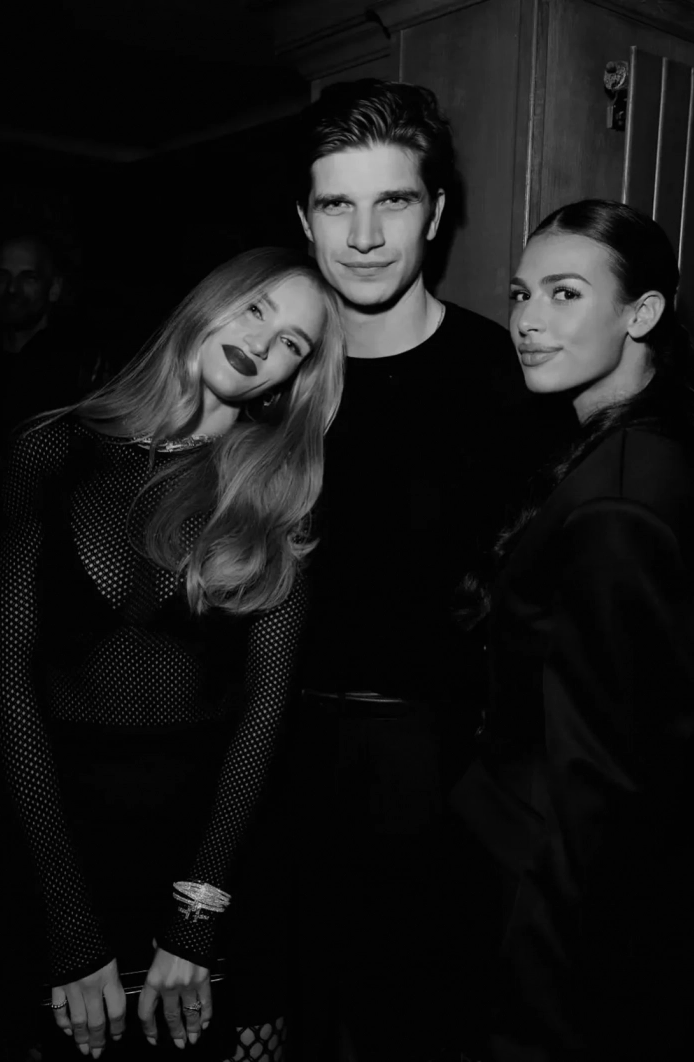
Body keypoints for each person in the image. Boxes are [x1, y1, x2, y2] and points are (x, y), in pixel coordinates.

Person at [0, 246, 345, 1062]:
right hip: (63, 851)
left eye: (292, 342)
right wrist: (70, 922)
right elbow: (8, 684)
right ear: (210, 300)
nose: (263, 342)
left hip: (224, 852)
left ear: (293, 379)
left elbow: (265, 710)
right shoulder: (51, 451)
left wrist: (197, 915)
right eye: (256, 309)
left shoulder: (277, 490)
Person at [290, 79, 571, 1061]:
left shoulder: (509, 383)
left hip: (440, 773)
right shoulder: (272, 373)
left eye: (394, 201)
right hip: (272, 761)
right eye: (337, 204)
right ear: (305, 220)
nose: (365, 236)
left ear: (437, 212)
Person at [451, 199, 694, 1062]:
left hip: (547, 907)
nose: (528, 322)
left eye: (565, 293)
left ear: (640, 314)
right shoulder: (630, 448)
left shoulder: (621, 494)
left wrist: (556, 983)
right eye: (520, 293)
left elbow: (606, 777)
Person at [0, 234, 103, 431]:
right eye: (3, 276)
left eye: (28, 278)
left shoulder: (76, 370)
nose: (12, 288)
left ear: (54, 288)